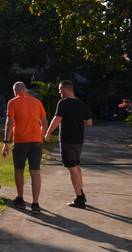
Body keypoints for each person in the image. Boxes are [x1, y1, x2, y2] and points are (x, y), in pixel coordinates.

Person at [44, 80, 92, 208]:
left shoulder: (63, 103)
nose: (59, 92)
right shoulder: (82, 104)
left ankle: (79, 199)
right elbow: (89, 122)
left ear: (65, 89)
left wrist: (48, 132)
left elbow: (57, 118)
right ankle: (81, 192)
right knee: (76, 166)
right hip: (79, 140)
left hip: (67, 140)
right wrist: (76, 122)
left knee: (71, 169)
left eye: (60, 89)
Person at [2, 81, 47, 214]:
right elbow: (44, 123)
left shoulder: (13, 102)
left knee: (19, 169)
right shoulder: (37, 102)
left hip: (21, 141)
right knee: (35, 172)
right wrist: (41, 136)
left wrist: (6, 142)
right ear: (26, 90)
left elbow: (9, 124)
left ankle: (21, 199)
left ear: (15, 91)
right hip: (36, 142)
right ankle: (35, 204)